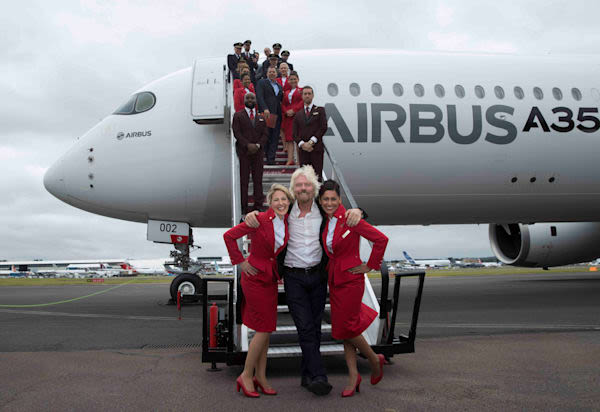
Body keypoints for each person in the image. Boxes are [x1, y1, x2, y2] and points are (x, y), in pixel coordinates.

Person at [245, 165, 365, 396]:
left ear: (314, 188)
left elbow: (345, 213)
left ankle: (306, 374)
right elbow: (264, 217)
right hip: (293, 277)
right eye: (298, 185)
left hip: (318, 276)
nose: (303, 188)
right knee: (305, 327)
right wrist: (248, 216)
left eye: (307, 184)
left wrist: (360, 210)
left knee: (316, 329)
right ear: (294, 189)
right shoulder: (285, 211)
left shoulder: (324, 209)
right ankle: (319, 376)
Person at [318, 179, 388, 397]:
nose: (329, 203)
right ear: (320, 201)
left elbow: (381, 240)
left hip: (351, 280)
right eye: (325, 199)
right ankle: (353, 376)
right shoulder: (325, 221)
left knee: (346, 327)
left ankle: (374, 359)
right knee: (347, 331)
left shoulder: (350, 218)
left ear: (339, 199)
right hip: (336, 280)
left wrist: (370, 265)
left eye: (333, 199)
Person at [224, 184, 293, 398]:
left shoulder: (289, 222)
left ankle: (261, 376)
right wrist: (240, 262)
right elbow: (229, 236)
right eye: (276, 200)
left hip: (270, 278)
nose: (281, 203)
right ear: (269, 203)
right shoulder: (260, 219)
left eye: (284, 200)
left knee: (267, 328)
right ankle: (246, 374)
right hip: (253, 277)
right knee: (263, 329)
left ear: (289, 202)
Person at [232, 93, 268, 214]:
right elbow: (237, 133)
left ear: (256, 100)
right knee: (244, 180)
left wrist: (257, 145)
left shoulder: (261, 117)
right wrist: (247, 145)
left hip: (258, 152)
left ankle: (258, 204)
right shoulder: (238, 115)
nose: (250, 100)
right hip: (244, 152)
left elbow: (265, 134)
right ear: (244, 100)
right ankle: (243, 206)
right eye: (248, 98)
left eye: (252, 98)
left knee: (258, 180)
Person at [293, 86, 327, 180]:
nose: (307, 96)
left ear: (313, 96)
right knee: (304, 178)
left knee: (317, 177)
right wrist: (302, 144)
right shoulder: (298, 114)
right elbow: (294, 134)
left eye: (309, 94)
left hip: (316, 150)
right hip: (303, 151)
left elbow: (323, 127)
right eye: (305, 94)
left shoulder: (320, 110)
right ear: (302, 96)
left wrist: (311, 142)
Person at [256, 66, 283, 165]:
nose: (272, 73)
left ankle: (271, 159)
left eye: (273, 72)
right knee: (267, 135)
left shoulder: (279, 86)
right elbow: (259, 96)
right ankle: (266, 156)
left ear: (276, 74)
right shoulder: (262, 83)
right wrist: (264, 108)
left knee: (275, 137)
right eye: (270, 72)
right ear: (267, 74)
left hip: (277, 114)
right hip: (268, 114)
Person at [281, 71, 303, 165]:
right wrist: (286, 111)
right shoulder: (286, 92)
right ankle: (290, 159)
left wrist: (294, 110)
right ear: (288, 81)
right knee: (289, 139)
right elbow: (283, 104)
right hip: (288, 118)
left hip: (297, 117)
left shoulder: (301, 90)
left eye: (295, 79)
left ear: (298, 80)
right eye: (291, 79)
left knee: (297, 139)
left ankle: (299, 160)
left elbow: (302, 102)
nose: (293, 81)